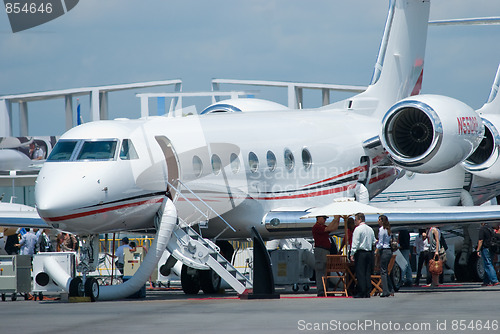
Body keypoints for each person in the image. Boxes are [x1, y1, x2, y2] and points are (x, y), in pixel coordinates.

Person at [312, 215, 340, 296]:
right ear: (318, 218)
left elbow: (333, 228)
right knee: (321, 270)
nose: (325, 220)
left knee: (325, 271)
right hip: (320, 250)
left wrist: (337, 219)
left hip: (325, 250)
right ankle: (321, 290)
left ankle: (325, 289)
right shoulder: (316, 227)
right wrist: (335, 219)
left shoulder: (322, 226)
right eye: (323, 218)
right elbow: (328, 228)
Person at [350, 212, 376, 298]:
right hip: (369, 252)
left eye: (355, 219)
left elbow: (356, 242)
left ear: (360, 219)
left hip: (361, 253)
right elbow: (374, 241)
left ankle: (361, 291)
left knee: (360, 273)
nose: (354, 221)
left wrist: (352, 253)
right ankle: (367, 292)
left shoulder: (358, 229)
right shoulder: (370, 229)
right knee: (367, 272)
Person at [376, 215, 395, 297]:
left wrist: (376, 249)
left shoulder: (381, 230)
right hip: (389, 250)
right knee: (386, 271)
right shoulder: (388, 230)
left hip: (384, 250)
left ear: (382, 221)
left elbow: (380, 243)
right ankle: (390, 289)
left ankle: (385, 290)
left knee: (383, 271)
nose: (378, 221)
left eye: (379, 220)